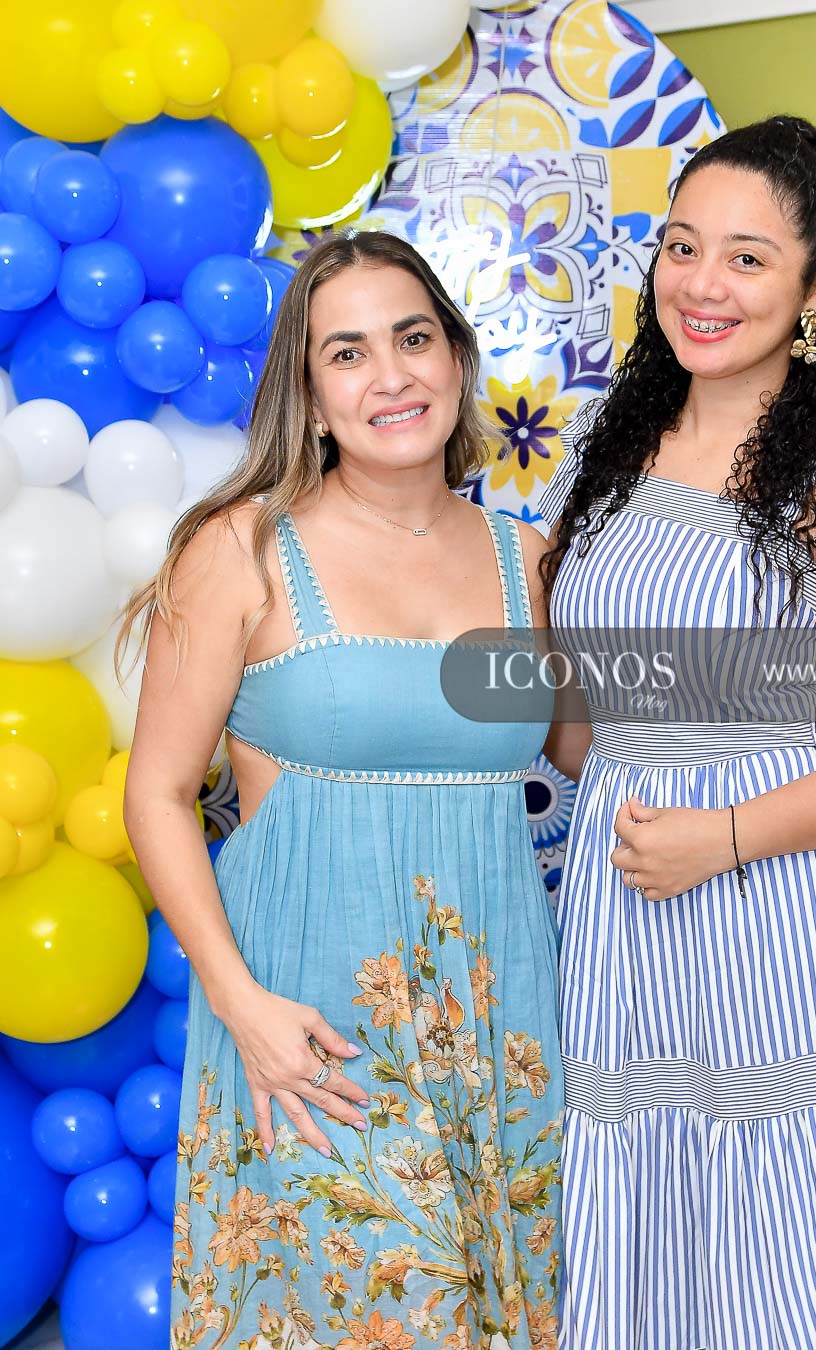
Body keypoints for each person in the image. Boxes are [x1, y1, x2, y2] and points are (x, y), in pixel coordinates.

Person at [540, 116, 816, 1350]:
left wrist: (721, 833)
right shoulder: (602, 454)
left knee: (785, 1227)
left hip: (776, 899)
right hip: (627, 907)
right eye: (682, 248)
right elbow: (577, 721)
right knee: (654, 1204)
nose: (702, 285)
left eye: (748, 257)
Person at [123, 231, 562, 1350]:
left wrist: (780, 721)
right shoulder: (243, 549)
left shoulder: (528, 558)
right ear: (312, 398)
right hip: (312, 1029)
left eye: (413, 339)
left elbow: (602, 751)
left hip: (501, 1024)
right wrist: (242, 1006)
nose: (391, 377)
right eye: (348, 354)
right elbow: (158, 795)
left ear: (456, 358)